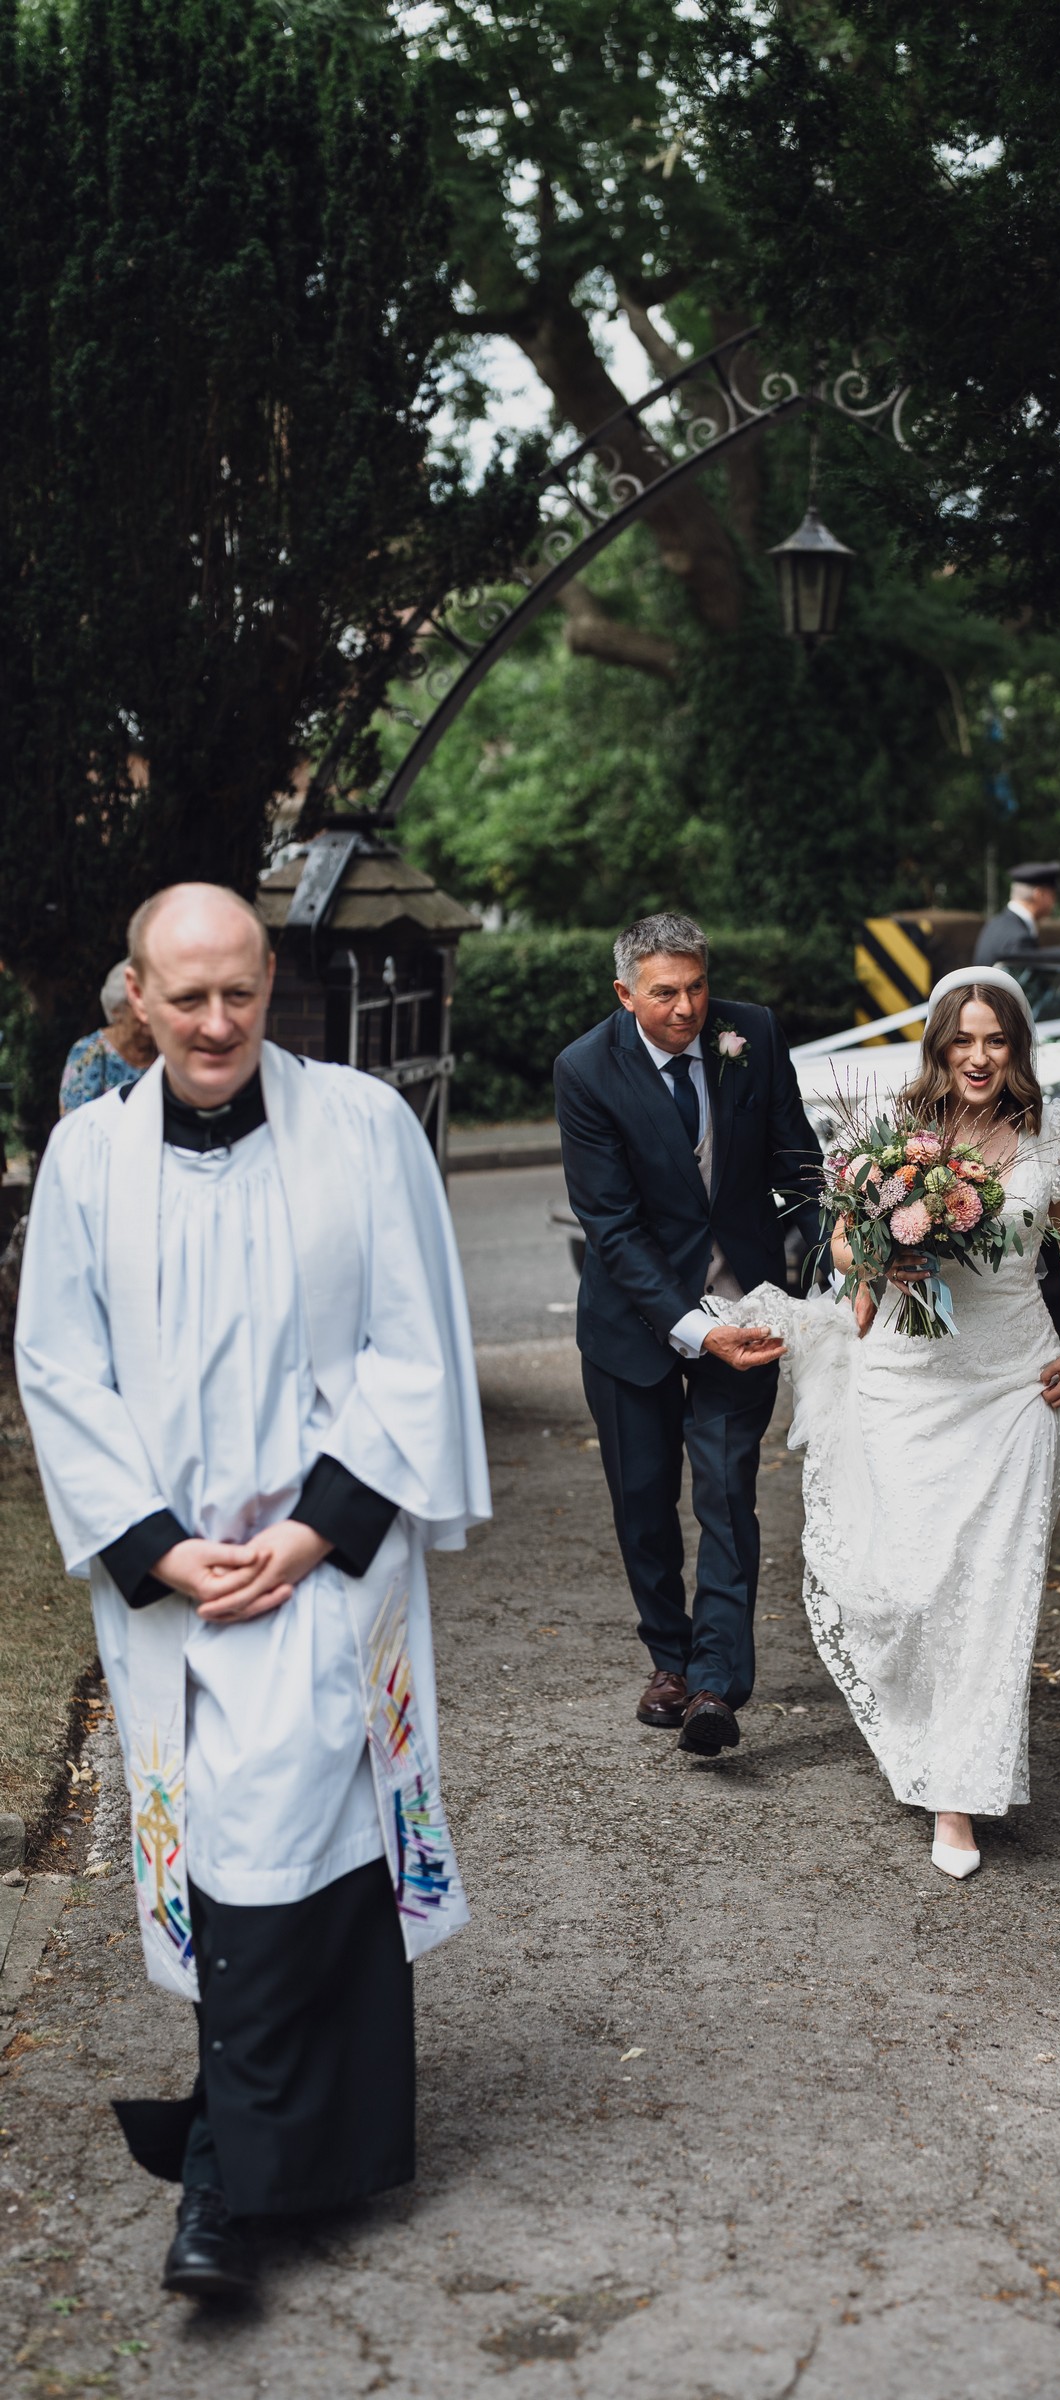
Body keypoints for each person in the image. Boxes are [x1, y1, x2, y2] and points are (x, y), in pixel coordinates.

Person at [13, 883, 488, 2302]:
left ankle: (224, 2182)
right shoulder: (88, 1160)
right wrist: (158, 1546)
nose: (217, 1024)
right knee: (225, 1844)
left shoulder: (363, 1127)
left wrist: (311, 1534)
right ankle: (293, 2138)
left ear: (271, 979)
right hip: (172, 1583)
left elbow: (414, 1341)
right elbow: (60, 1368)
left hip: (322, 1566)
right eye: (188, 998)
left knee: (286, 1835)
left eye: (239, 993)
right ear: (138, 999)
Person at [706, 967, 1060, 1879]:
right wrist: (879, 1259)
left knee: (992, 1586)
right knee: (907, 1582)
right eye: (963, 1040)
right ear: (940, 1046)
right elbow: (845, 1239)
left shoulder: (1052, 1132)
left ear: (1017, 1048)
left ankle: (956, 1795)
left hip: (1013, 1384)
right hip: (905, 1379)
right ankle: (922, 1737)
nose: (978, 1057)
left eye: (995, 1040)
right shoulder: (897, 1129)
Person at [553, 912, 822, 1756]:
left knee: (728, 1492)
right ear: (625, 993)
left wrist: (831, 1264)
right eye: (665, 993)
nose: (687, 1008)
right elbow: (612, 1225)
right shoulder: (585, 1070)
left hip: (746, 1307)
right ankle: (668, 1660)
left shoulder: (753, 1035)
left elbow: (799, 1164)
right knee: (644, 1504)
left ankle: (713, 1684)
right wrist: (692, 1329)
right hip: (633, 1323)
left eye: (698, 987)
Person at [58, 957, 157, 1111]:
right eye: (138, 1004)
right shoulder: (89, 1053)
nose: (149, 1011)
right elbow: (77, 1120)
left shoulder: (166, 1050)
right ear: (117, 1011)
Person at [973, 859, 1060, 967]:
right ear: (1039, 895)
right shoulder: (1020, 939)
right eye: (1053, 895)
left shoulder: (994, 924)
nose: (1054, 902)